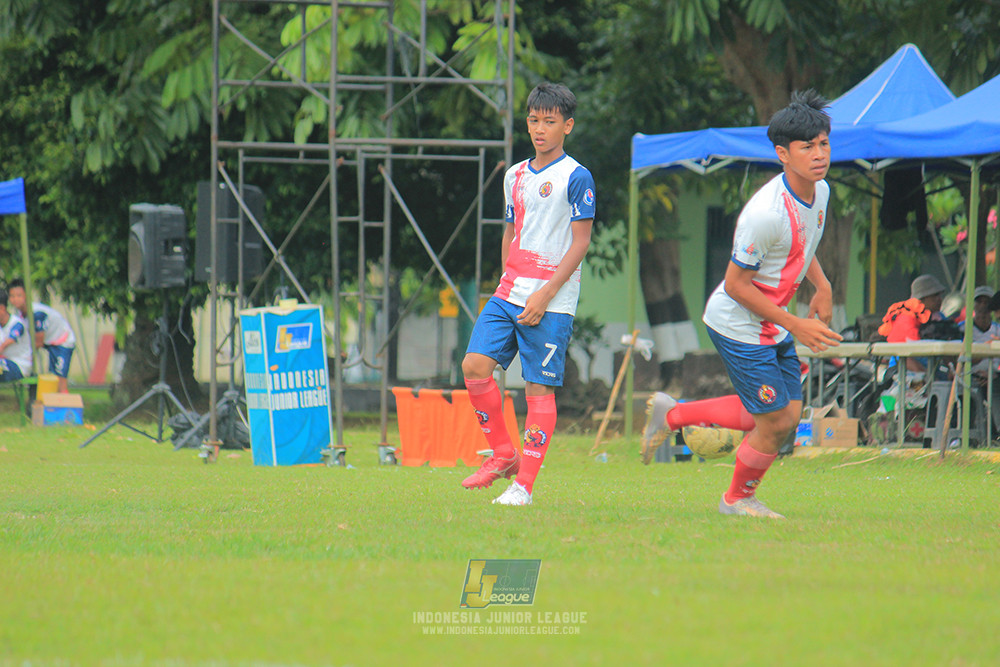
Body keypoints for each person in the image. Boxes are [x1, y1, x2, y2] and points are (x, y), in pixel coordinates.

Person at [641, 90, 841, 519]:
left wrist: (821, 285)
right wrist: (796, 323)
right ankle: (736, 500)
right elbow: (735, 284)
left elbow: (801, 247)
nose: (819, 154)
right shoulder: (763, 214)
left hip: (773, 323)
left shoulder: (819, 192)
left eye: (823, 143)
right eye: (807, 147)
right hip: (737, 324)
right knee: (773, 422)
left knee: (786, 413)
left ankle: (672, 414)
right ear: (782, 154)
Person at [459, 82, 595, 506]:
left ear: (567, 126)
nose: (540, 129)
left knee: (538, 391)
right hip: (509, 291)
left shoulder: (576, 176)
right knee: (474, 365)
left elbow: (581, 242)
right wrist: (506, 279)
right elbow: (512, 231)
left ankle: (524, 488)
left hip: (552, 301)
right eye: (534, 120)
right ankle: (503, 455)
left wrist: (545, 294)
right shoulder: (514, 174)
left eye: (550, 122)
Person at [7, 279, 77, 393]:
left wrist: (23, 357)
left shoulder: (36, 313)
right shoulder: (20, 315)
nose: (15, 299)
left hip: (62, 341)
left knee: (60, 381)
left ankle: (65, 407)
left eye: (19, 295)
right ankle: (53, 406)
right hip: (50, 343)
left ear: (26, 296)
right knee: (52, 379)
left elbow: (38, 342)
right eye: (12, 296)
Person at [878, 274, 949, 373]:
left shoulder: (939, 317)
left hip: (932, 370)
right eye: (934, 296)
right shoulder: (905, 318)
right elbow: (903, 356)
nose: (939, 300)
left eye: (940, 295)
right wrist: (926, 376)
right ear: (921, 299)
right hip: (904, 374)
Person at [0, 287, 33, 383]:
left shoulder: (17, 324)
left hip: (19, 365)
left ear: (2, 308)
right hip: (5, 363)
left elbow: (5, 345)